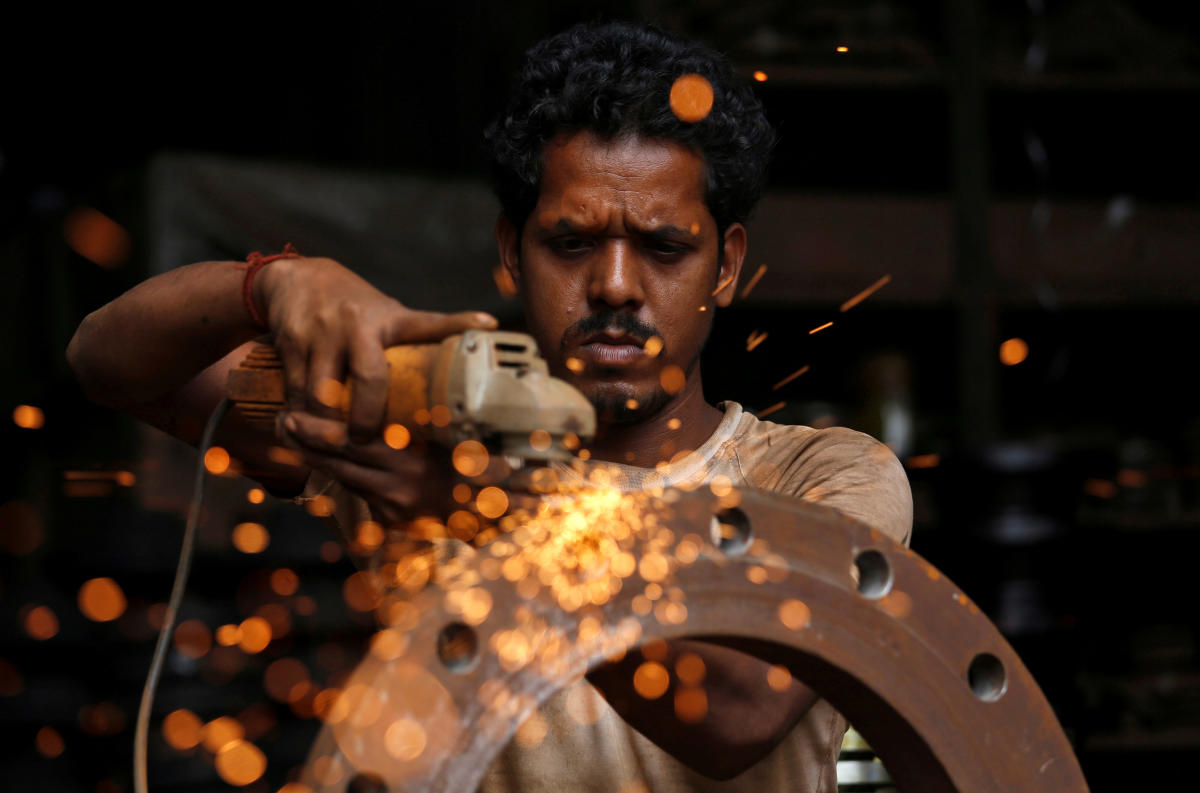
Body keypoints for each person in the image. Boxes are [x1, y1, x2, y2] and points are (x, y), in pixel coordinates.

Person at [68, 20, 911, 793]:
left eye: (662, 247)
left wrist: (481, 512)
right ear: (512, 253)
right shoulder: (414, 436)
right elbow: (107, 363)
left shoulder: (824, 477)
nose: (616, 285)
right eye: (571, 243)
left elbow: (736, 716)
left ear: (725, 266)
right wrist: (272, 284)